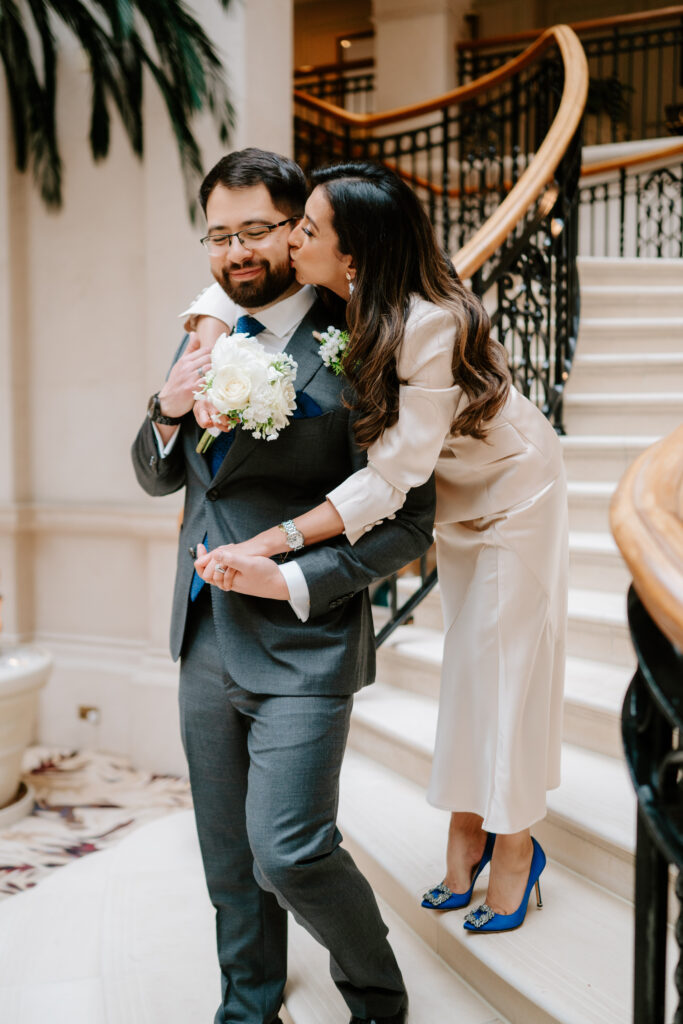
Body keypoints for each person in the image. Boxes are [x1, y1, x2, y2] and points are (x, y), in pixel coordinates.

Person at [192, 161, 568, 935]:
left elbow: (394, 475)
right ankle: (467, 828)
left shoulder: (429, 322)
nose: (290, 238)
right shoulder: (350, 295)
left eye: (306, 229)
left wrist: (282, 538)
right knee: (468, 670)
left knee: (506, 675)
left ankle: (515, 846)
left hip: (513, 494)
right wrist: (204, 330)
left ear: (352, 254)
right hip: (461, 502)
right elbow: (221, 288)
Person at [132, 149, 437, 1024]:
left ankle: (376, 995)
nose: (237, 252)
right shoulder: (204, 330)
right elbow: (162, 475)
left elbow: (409, 525)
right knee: (228, 857)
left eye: (258, 230)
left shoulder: (366, 334)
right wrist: (165, 409)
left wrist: (293, 577)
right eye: (219, 235)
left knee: (291, 850)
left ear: (300, 225)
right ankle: (248, 1003)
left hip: (307, 638)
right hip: (202, 635)